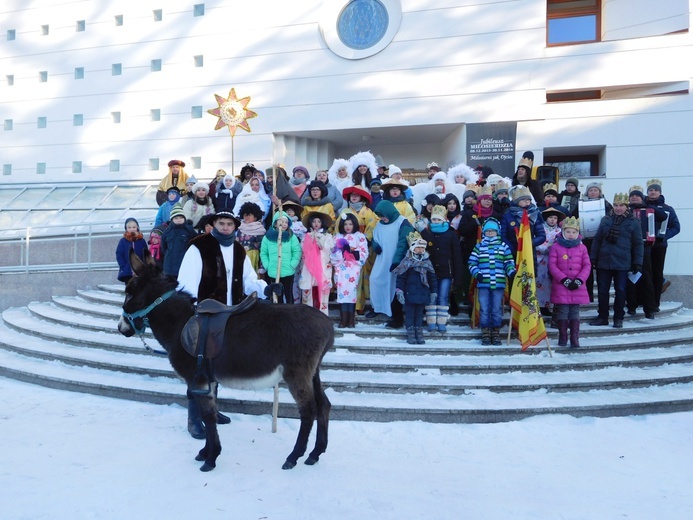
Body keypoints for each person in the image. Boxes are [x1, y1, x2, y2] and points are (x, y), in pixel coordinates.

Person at [177, 211, 268, 438]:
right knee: (200, 368)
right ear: (213, 224)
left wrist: (265, 287)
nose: (226, 227)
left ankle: (212, 409)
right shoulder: (198, 247)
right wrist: (193, 309)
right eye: (222, 223)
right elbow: (186, 281)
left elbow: (248, 280)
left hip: (231, 315)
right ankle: (195, 418)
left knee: (217, 365)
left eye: (230, 224)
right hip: (205, 315)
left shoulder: (238, 249)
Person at [589, 193, 643, 328]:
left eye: (622, 205)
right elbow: (597, 239)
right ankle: (602, 316)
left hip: (623, 262)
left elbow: (638, 244)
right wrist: (593, 257)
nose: (618, 208)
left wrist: (638, 262)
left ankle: (618, 317)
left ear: (627, 207)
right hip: (604, 261)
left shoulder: (634, 222)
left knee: (621, 290)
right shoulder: (606, 219)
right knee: (602, 291)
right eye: (616, 205)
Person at [468, 218, 515, 345]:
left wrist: (511, 271)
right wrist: (477, 273)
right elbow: (472, 263)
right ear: (483, 232)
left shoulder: (503, 246)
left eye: (492, 231)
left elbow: (509, 262)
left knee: (496, 309)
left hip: (498, 283)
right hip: (483, 283)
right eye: (487, 231)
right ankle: (485, 332)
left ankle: (495, 332)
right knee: (484, 308)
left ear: (497, 232)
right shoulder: (479, 247)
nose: (490, 233)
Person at [368, 200, 414, 328]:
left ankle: (396, 317)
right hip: (382, 259)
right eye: (380, 216)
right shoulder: (379, 224)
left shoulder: (402, 222)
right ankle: (377, 307)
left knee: (394, 287)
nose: (382, 218)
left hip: (397, 261)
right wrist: (375, 246)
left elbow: (403, 243)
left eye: (383, 215)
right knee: (375, 280)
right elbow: (375, 238)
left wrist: (397, 261)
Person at [548, 217, 591, 348]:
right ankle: (563, 336)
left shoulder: (582, 248)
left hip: (577, 286)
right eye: (568, 232)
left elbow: (587, 265)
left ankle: (574, 337)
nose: (571, 235)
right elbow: (552, 265)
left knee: (574, 312)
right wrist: (564, 279)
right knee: (563, 311)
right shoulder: (556, 247)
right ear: (563, 232)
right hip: (562, 285)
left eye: (573, 232)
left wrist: (579, 280)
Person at [626, 185, 667, 319]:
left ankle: (649, 308)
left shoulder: (648, 208)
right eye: (632, 196)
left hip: (645, 247)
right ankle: (631, 306)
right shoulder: (625, 209)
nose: (634, 198)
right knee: (630, 278)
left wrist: (649, 207)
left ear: (642, 197)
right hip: (627, 247)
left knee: (646, 277)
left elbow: (663, 217)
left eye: (637, 196)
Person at [421, 205, 464, 333]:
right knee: (432, 296)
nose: (435, 222)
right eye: (434, 220)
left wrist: (457, 276)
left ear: (444, 220)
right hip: (430, 272)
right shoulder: (425, 233)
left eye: (438, 220)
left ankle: (441, 321)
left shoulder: (451, 235)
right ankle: (431, 322)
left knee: (443, 296)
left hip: (446, 272)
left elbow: (456, 256)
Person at [341, 185, 379, 316]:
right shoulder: (345, 211)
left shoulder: (368, 212)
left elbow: (372, 227)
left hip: (362, 246)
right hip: (346, 249)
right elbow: (338, 228)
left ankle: (360, 304)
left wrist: (365, 240)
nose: (354, 197)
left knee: (361, 277)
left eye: (357, 195)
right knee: (347, 278)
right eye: (352, 195)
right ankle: (348, 304)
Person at [394, 231, 438, 345]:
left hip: (423, 293)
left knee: (419, 314)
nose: (420, 250)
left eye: (422, 248)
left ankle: (419, 332)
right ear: (412, 249)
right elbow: (401, 278)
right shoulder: (406, 263)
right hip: (410, 294)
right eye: (418, 248)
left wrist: (433, 292)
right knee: (410, 314)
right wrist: (399, 291)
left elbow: (432, 278)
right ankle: (410, 333)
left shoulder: (427, 263)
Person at [644, 178, 680, 311]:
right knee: (643, 273)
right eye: (650, 190)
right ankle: (643, 300)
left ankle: (655, 303)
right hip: (644, 245)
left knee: (657, 274)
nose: (652, 192)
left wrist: (664, 236)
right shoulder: (641, 207)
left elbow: (676, 227)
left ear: (660, 193)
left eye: (655, 190)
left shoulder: (668, 209)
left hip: (659, 246)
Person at [331, 212, 369, 328]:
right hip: (341, 268)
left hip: (353, 268)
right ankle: (343, 319)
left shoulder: (360, 236)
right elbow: (332, 253)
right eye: (346, 224)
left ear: (354, 225)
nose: (348, 226)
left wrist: (351, 252)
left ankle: (351, 319)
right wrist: (342, 253)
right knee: (342, 292)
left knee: (351, 292)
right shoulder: (337, 237)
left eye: (350, 224)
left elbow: (364, 253)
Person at [577, 181, 612, 302]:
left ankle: (602, 297)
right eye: (591, 190)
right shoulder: (580, 204)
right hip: (586, 241)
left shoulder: (606, 204)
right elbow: (573, 217)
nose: (593, 192)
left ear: (599, 192)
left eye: (595, 190)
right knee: (587, 268)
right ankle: (588, 295)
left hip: (602, 242)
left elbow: (611, 219)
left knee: (601, 269)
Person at [259, 210, 302, 304]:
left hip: (288, 270)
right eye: (281, 221)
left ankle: (290, 313)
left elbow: (297, 251)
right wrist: (267, 265)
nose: (284, 224)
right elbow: (263, 253)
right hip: (273, 270)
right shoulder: (268, 237)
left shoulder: (291, 236)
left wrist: (292, 264)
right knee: (277, 295)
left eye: (286, 222)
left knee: (288, 293)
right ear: (275, 223)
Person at [298, 211, 335, 315]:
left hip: (322, 267)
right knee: (307, 292)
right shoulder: (306, 236)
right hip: (308, 268)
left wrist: (320, 244)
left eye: (319, 221)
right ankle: (307, 316)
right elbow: (303, 250)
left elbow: (330, 250)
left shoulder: (328, 236)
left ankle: (323, 315)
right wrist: (311, 241)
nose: (316, 224)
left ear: (322, 223)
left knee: (323, 293)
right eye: (313, 221)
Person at [500, 186, 546, 262]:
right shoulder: (507, 215)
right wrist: (512, 248)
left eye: (528, 199)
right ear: (516, 201)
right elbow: (503, 236)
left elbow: (542, 235)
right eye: (524, 200)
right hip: (512, 253)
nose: (527, 202)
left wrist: (529, 243)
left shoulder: (534, 214)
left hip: (529, 252)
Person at [536, 207, 566, 319]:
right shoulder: (540, 229)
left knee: (549, 284)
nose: (553, 220)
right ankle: (539, 306)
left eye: (555, 218)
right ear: (545, 219)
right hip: (540, 259)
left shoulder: (560, 231)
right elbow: (536, 242)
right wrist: (546, 248)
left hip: (553, 261)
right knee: (539, 282)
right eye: (550, 217)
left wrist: (554, 249)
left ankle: (547, 306)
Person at [161, 203, 198, 277]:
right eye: (176, 218)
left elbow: (195, 243)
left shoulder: (189, 230)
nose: (179, 220)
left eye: (181, 218)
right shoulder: (167, 231)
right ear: (172, 219)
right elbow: (163, 246)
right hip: (169, 265)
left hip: (185, 262)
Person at [236, 202, 266, 275]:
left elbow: (263, 249)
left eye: (249, 215)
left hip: (254, 258)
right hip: (240, 257)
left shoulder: (260, 230)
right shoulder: (240, 229)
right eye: (245, 215)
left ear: (255, 217)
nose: (247, 217)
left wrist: (262, 266)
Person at [115, 217, 148, 283]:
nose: (132, 229)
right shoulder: (123, 241)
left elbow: (145, 253)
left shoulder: (141, 241)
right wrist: (123, 265)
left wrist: (144, 265)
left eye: (134, 227)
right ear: (126, 229)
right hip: (127, 271)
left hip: (139, 270)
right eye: (129, 228)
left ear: (137, 227)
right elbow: (119, 254)